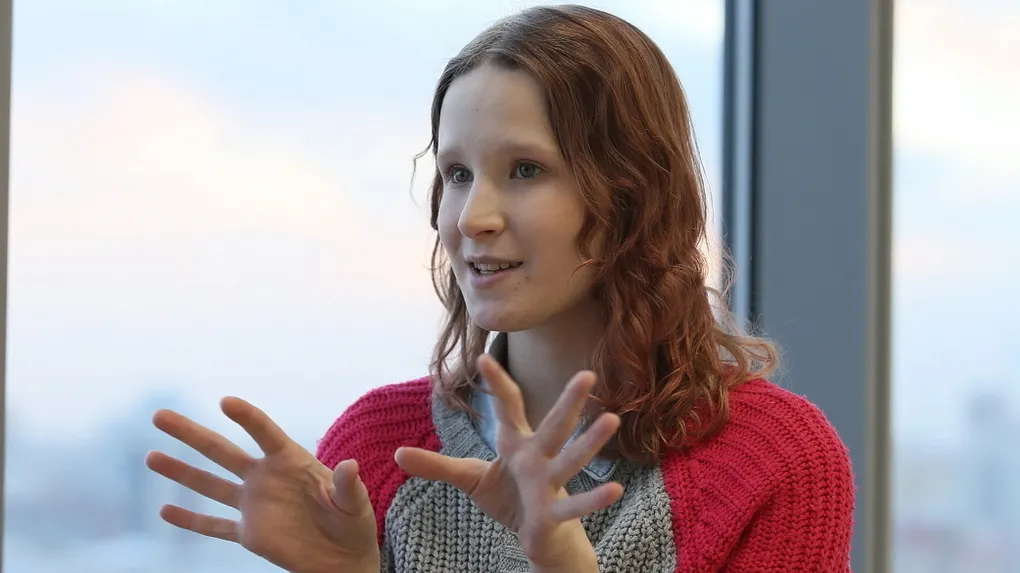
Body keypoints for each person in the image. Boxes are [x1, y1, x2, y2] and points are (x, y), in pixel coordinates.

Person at [145, 5, 855, 572]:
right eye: (457, 174)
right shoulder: (374, 448)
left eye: (524, 170)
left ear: (633, 196)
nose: (472, 217)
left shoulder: (777, 458)